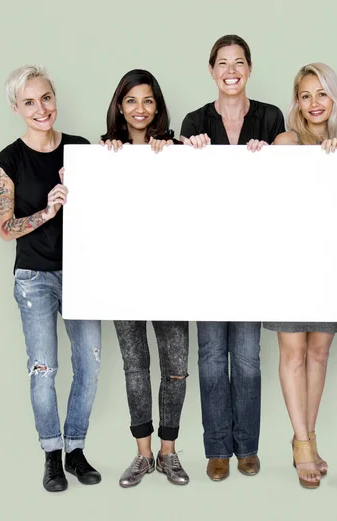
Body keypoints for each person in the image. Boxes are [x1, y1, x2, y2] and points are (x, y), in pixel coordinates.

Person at [0, 65, 102, 492]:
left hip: (82, 273)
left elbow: (103, 210)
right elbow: (5, 228)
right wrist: (48, 211)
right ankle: (52, 454)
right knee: (44, 369)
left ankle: (76, 449)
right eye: (30, 102)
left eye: (47, 98)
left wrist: (88, 192)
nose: (42, 109)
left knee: (89, 366)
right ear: (17, 108)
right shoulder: (8, 160)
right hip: (34, 277)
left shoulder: (79, 149)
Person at [180, 34, 285, 481]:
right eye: (222, 63)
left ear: (249, 67)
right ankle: (217, 448)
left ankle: (247, 447)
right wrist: (190, 151)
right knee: (209, 356)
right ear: (211, 70)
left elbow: (293, 172)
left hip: (253, 258)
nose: (231, 70)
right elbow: (179, 190)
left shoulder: (270, 116)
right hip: (206, 258)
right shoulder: (194, 120)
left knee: (245, 357)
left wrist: (274, 155)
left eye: (238, 62)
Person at [264, 62, 337, 488]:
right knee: (293, 354)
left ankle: (308, 439)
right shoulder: (287, 141)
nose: (314, 103)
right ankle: (302, 445)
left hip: (330, 267)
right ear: (297, 103)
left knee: (319, 354)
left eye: (322, 93)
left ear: (333, 98)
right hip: (288, 263)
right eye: (305, 95)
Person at [100, 69, 190, 487]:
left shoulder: (174, 150)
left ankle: (169, 453)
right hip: (124, 280)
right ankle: (143, 454)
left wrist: (180, 151)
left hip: (170, 278)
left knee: (175, 368)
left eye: (148, 100)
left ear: (158, 107)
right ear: (120, 106)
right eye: (132, 100)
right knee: (136, 367)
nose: (140, 109)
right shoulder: (103, 155)